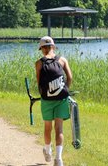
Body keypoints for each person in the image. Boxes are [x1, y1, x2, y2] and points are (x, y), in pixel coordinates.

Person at [35, 36, 73, 166]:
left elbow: (39, 82)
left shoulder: (39, 63)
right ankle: (59, 159)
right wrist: (65, 90)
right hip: (61, 99)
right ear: (53, 46)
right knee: (59, 128)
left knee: (47, 127)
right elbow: (70, 77)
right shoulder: (62, 60)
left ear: (42, 49)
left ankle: (48, 151)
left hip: (47, 99)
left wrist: (44, 94)